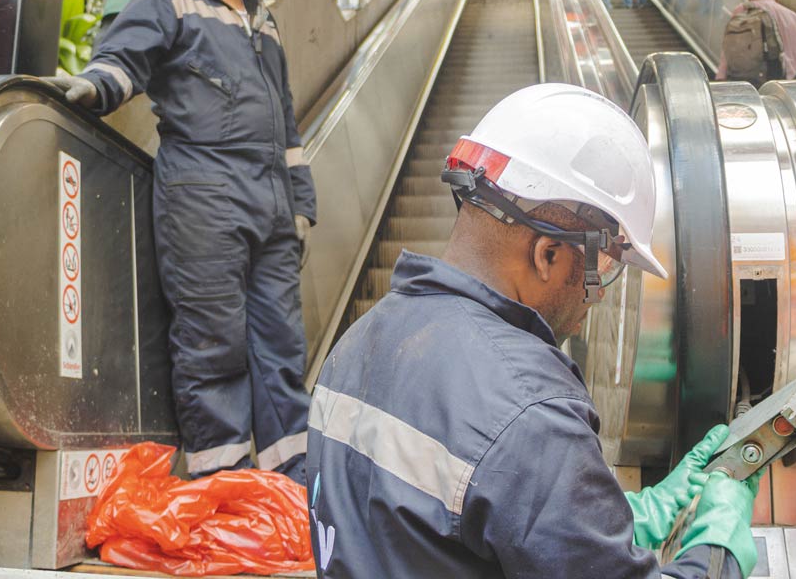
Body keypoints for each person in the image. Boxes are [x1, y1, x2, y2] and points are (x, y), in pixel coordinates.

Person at [307, 84, 761, 579]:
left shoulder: (356, 346)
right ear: (547, 254)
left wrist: (619, 519)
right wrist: (720, 546)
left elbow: (434, 529)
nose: (602, 293)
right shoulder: (531, 413)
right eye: (604, 265)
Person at [49, 0, 314, 485]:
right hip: (203, 193)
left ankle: (293, 481)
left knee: (281, 347)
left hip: (271, 205)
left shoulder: (265, 23)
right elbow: (127, 56)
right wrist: (95, 87)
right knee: (212, 340)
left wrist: (300, 207)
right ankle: (221, 482)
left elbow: (287, 120)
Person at [716, 0, 796, 82]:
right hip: (788, 82)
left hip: (753, 81)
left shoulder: (743, 10)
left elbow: (730, 46)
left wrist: (721, 76)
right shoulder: (793, 17)